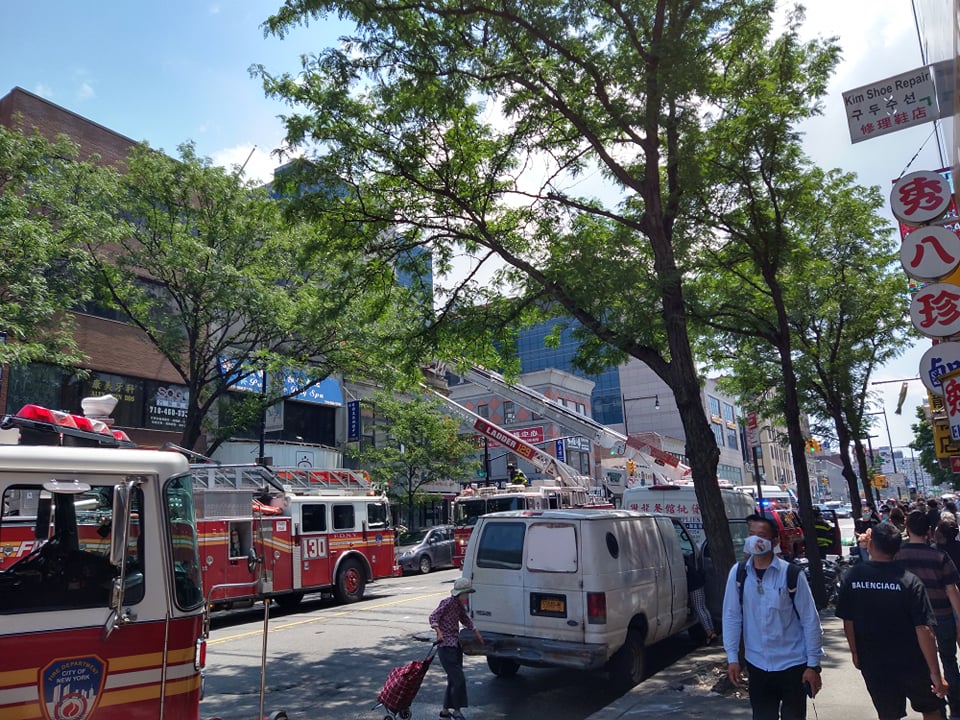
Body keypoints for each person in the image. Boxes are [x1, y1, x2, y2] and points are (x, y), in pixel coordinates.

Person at [835, 522, 949, 720]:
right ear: (898, 550)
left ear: (870, 546)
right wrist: (935, 672)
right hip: (912, 661)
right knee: (931, 708)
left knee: (888, 714)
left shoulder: (853, 576)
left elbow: (848, 620)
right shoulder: (909, 581)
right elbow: (924, 629)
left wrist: (855, 652)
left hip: (873, 660)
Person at [722, 513, 824, 719]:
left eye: (761, 535)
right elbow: (732, 616)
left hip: (792, 665)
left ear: (774, 542)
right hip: (757, 664)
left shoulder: (792, 575)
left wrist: (813, 665)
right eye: (751, 534)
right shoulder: (739, 574)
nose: (755, 540)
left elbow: (810, 621)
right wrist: (732, 658)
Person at [897, 510, 960, 719]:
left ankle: (936, 708)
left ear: (907, 529)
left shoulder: (898, 555)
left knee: (925, 664)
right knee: (949, 660)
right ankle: (956, 707)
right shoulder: (939, 556)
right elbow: (951, 589)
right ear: (930, 531)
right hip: (942, 615)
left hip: (913, 621)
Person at [429, 578, 483, 720]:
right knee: (459, 679)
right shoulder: (446, 603)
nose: (467, 596)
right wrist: (439, 632)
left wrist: (476, 632)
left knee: (453, 679)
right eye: (466, 593)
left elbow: (465, 619)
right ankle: (457, 711)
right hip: (445, 645)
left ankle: (445, 710)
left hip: (455, 645)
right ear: (460, 593)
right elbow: (433, 617)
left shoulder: (459, 606)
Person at [686, 556, 717, 645]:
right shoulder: (686, 560)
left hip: (694, 586)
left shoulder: (682, 563)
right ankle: (712, 630)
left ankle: (709, 633)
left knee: (698, 608)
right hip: (699, 583)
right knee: (703, 607)